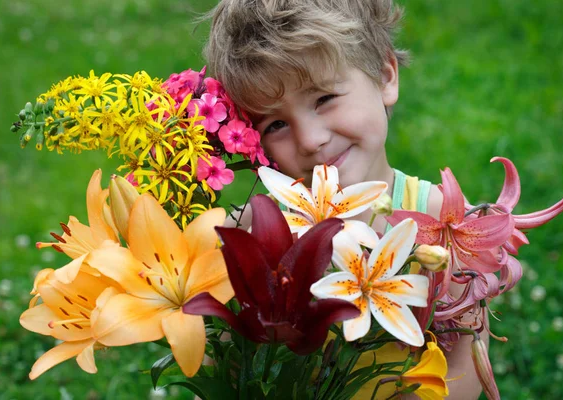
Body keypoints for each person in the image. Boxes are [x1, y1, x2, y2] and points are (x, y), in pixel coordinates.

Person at [205, 1, 487, 398]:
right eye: (276, 124)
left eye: (323, 99)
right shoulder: (256, 233)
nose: (310, 139)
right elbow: (220, 365)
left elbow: (464, 361)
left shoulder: (441, 222)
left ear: (385, 76)